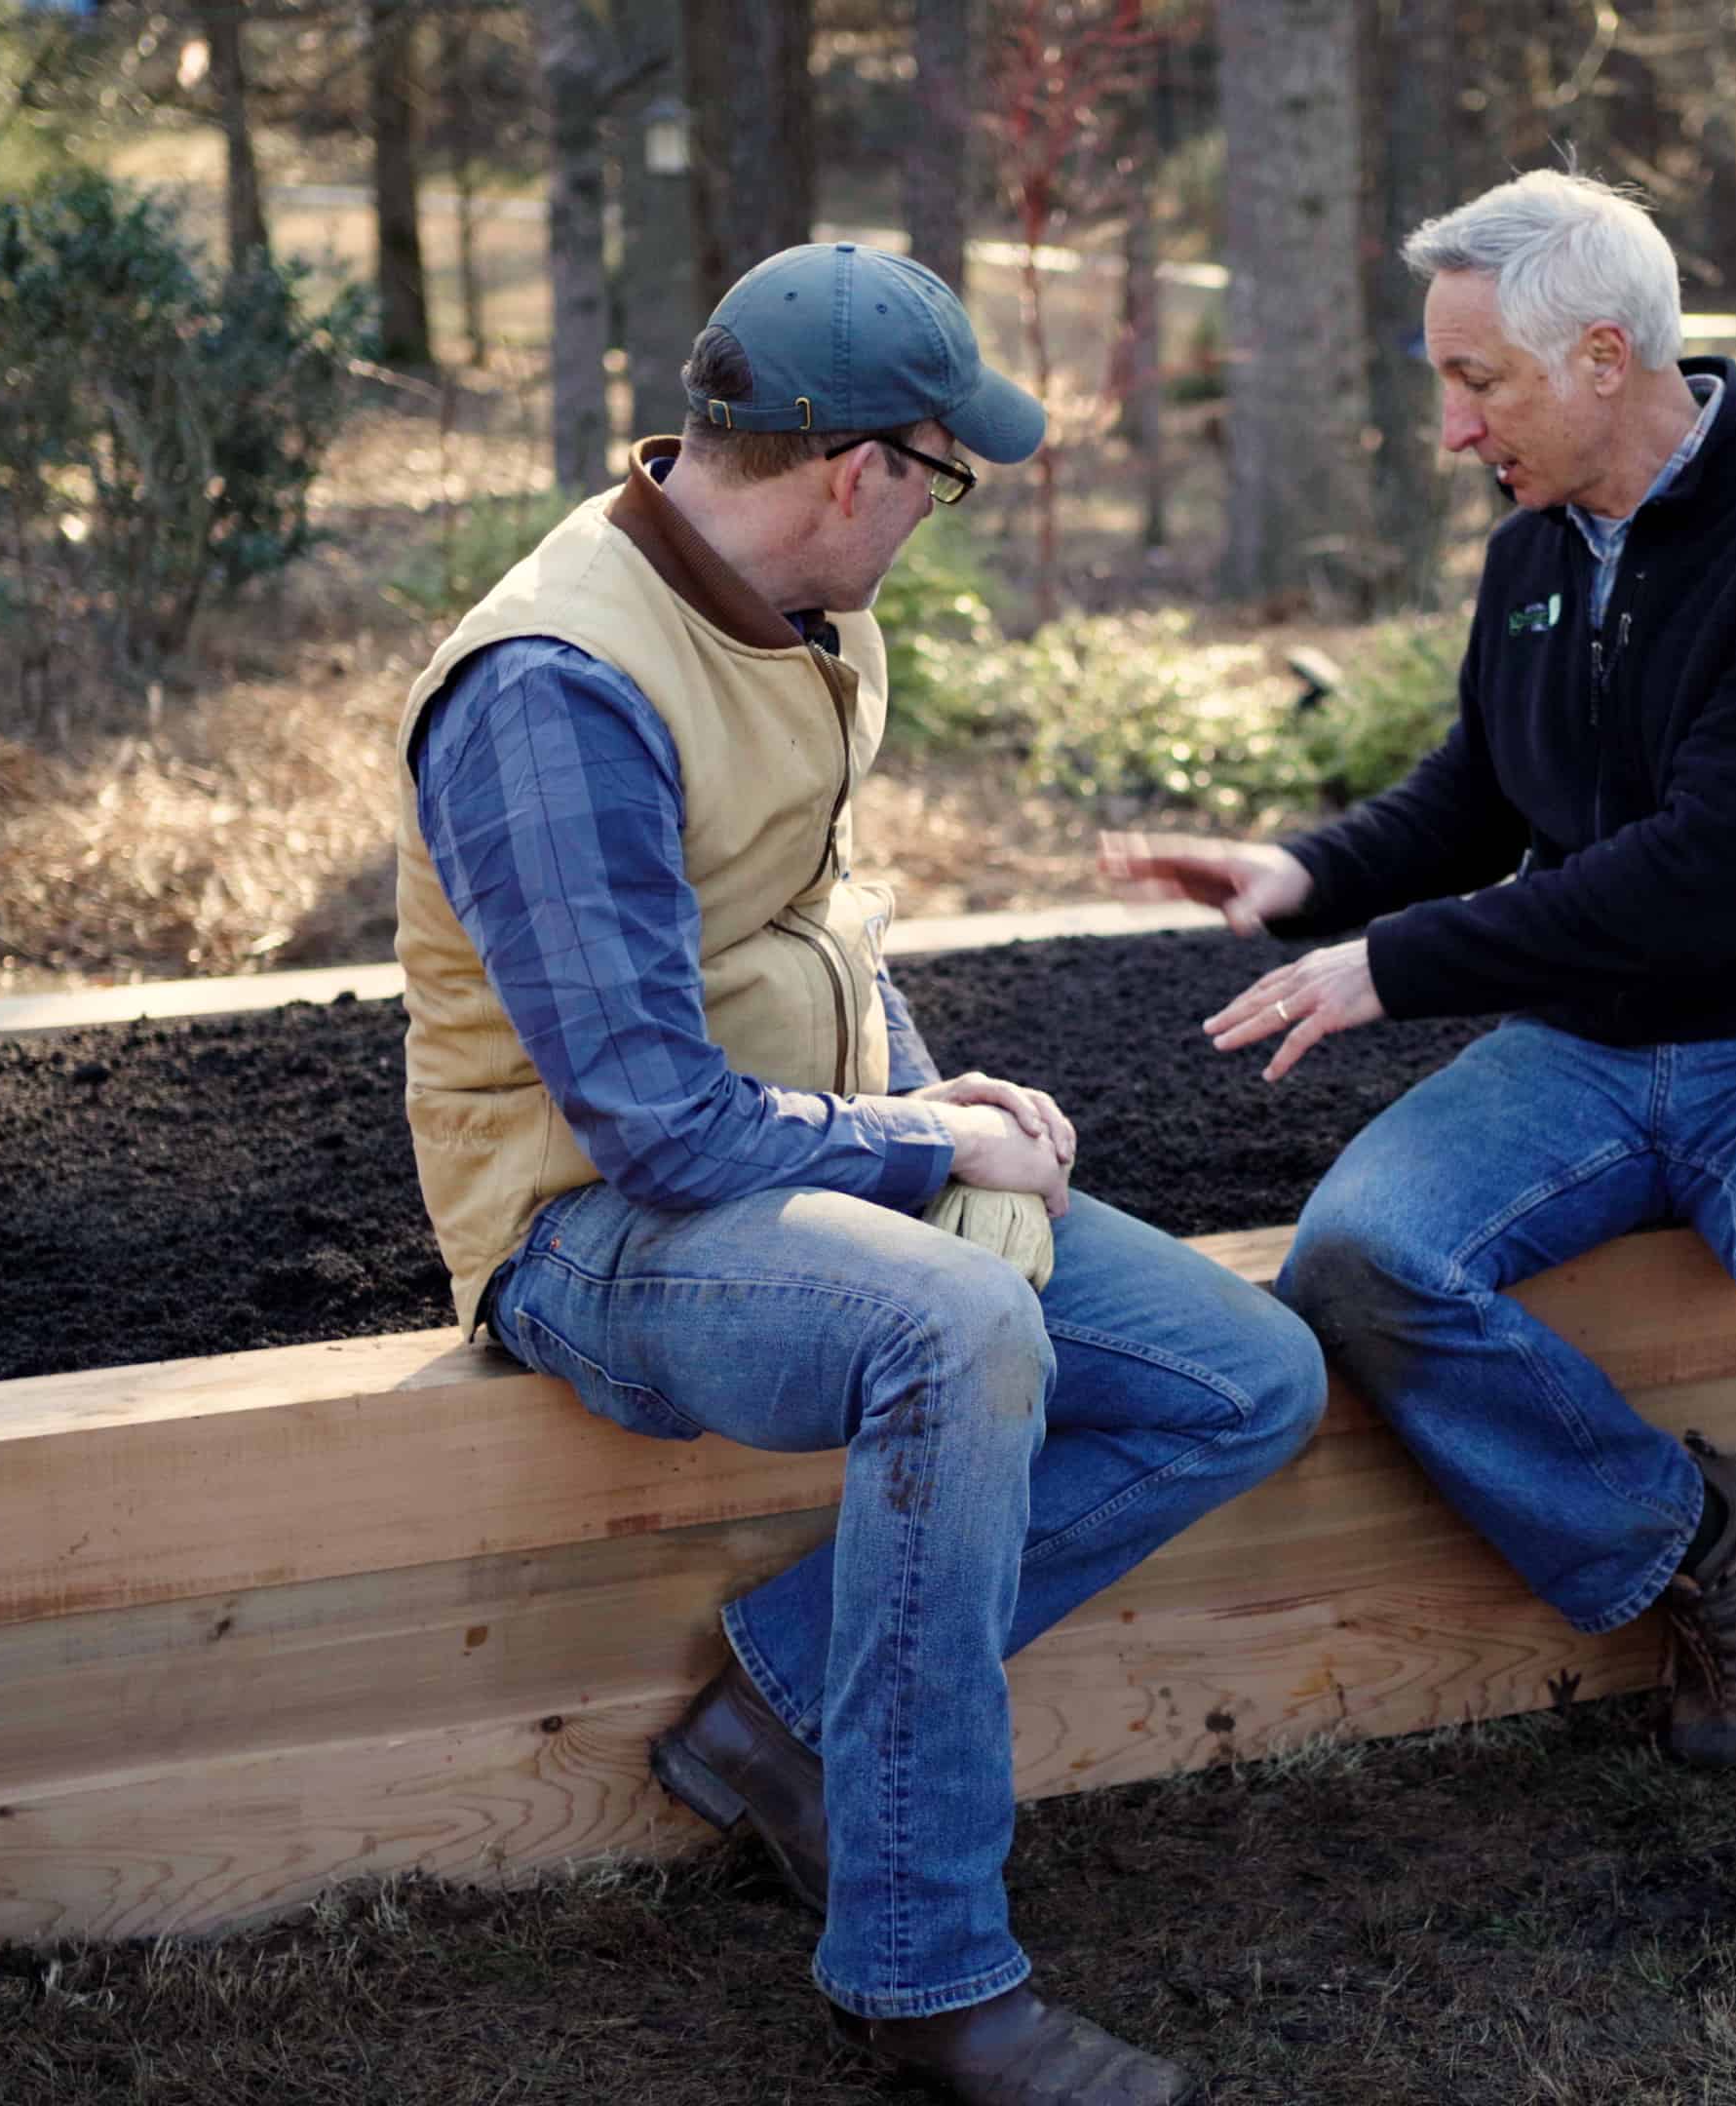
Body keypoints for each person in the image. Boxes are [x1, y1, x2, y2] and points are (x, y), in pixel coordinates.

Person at [395, 242, 1325, 2106]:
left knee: (1251, 1379)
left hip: (781, 1169)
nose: (937, 516)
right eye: (943, 476)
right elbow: (652, 1128)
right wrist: (926, 1147)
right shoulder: (554, 690)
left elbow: (809, 919)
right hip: (588, 1228)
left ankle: (785, 1710)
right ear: (860, 471)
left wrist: (929, 1081)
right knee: (963, 1331)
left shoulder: (801, 616)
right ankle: (923, 1975)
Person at [1102, 171, 1736, 2024]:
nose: (1454, 423)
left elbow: (1713, 875)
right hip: (1585, 1047)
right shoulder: (1536, 549)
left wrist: (1393, 968)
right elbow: (1477, 799)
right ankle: (1695, 1552)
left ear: (1600, 353)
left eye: (1478, 379)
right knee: (1358, 1254)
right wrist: (1302, 877)